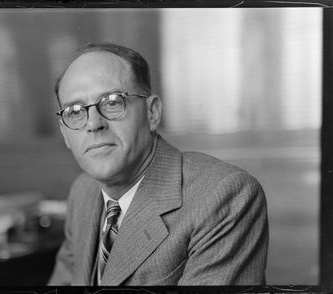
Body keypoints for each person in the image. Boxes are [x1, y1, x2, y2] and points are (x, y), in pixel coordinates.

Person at [48, 43, 269, 286]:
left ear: (152, 113)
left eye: (112, 101)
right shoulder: (83, 191)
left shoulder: (223, 196)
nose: (93, 124)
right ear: (65, 134)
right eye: (75, 111)